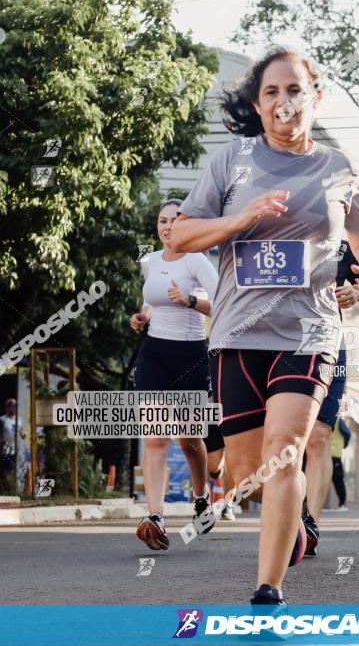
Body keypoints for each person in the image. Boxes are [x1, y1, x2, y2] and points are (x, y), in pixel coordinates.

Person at [170, 46, 359, 605]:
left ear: (315, 97)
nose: (284, 101)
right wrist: (241, 217)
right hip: (239, 332)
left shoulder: (339, 168)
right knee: (246, 470)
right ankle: (283, 521)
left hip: (309, 330)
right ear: (259, 103)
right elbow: (180, 237)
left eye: (295, 90)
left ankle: (269, 586)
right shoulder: (230, 162)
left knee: (288, 445)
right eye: (272, 91)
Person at [130, 198, 219, 550]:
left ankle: (201, 499)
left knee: (189, 440)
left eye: (175, 221)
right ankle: (156, 517)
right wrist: (143, 316)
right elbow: (151, 300)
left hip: (191, 355)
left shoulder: (198, 260)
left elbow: (225, 303)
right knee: (155, 438)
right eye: (163, 220)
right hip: (154, 353)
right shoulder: (149, 261)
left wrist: (190, 301)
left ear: (187, 226)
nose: (168, 226)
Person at [302, 239, 359, 556]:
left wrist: (357, 293)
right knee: (284, 439)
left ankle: (310, 522)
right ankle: (286, 514)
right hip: (278, 343)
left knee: (320, 435)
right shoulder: (279, 235)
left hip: (329, 345)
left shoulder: (342, 247)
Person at [0, 399, 24, 494]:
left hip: (15, 449)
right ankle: (10, 490)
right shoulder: (2, 419)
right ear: (7, 407)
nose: (13, 408)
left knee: (11, 470)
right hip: (4, 449)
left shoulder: (19, 419)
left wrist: (23, 434)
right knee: (7, 470)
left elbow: (21, 433)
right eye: (11, 406)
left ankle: (8, 490)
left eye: (15, 406)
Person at [330, 417, 350, 511]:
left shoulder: (338, 420)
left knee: (338, 480)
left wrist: (343, 445)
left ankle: (343, 503)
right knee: (337, 480)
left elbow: (347, 433)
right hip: (324, 455)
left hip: (334, 454)